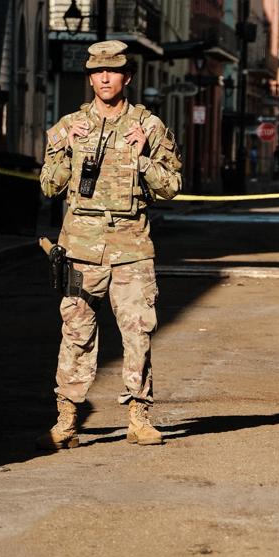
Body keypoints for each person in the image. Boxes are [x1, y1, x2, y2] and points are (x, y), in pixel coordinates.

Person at [39, 40, 182, 449]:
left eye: (113, 71)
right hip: (81, 247)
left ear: (127, 77)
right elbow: (49, 184)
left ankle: (139, 417)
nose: (104, 78)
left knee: (138, 333)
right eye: (97, 72)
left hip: (132, 247)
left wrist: (142, 159)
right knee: (76, 333)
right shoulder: (68, 125)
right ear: (89, 78)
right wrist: (64, 147)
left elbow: (172, 186)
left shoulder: (149, 127)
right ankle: (67, 420)